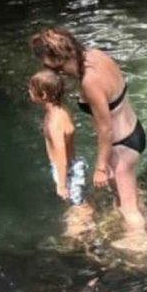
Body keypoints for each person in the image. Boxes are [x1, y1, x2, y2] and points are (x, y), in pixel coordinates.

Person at [30, 27, 147, 251]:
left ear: (55, 58)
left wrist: (100, 167)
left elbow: (105, 129)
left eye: (45, 61)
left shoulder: (89, 81)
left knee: (128, 207)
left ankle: (141, 246)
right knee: (126, 197)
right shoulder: (95, 55)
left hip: (120, 145)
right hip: (134, 130)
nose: (44, 66)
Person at [28, 70, 94, 239]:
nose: (28, 92)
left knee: (78, 205)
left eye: (31, 90)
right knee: (77, 200)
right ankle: (86, 224)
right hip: (72, 166)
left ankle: (89, 241)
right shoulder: (60, 110)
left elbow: (61, 156)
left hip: (68, 169)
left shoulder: (55, 122)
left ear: (43, 94)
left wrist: (61, 184)